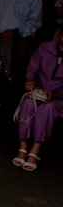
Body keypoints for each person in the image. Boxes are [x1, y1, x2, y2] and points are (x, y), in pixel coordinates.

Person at [11, 30, 63, 172]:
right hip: (40, 92)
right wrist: (30, 80)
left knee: (47, 109)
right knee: (28, 102)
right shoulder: (45, 48)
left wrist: (56, 94)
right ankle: (22, 148)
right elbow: (32, 69)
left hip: (59, 99)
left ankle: (35, 149)